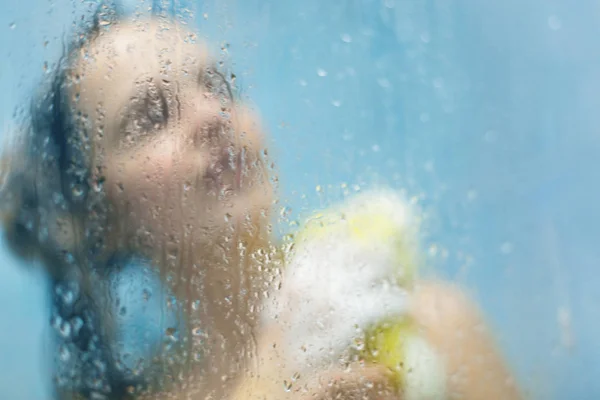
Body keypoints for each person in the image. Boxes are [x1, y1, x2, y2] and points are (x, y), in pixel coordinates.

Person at [0, 9, 522, 400]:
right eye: (152, 117)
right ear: (102, 219)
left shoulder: (431, 327)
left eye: (218, 85)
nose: (212, 116)